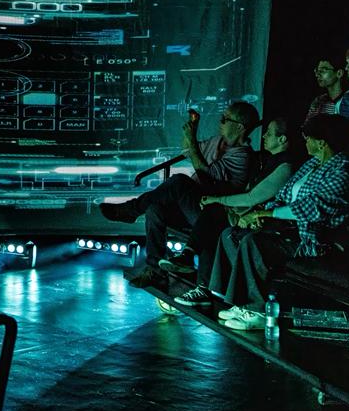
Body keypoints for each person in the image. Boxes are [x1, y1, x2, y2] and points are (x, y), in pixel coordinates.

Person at [196, 114, 349, 329]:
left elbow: (312, 207)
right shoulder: (311, 164)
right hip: (285, 229)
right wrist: (261, 216)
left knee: (253, 242)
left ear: (321, 142)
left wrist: (266, 215)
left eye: (309, 138)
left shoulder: (341, 172)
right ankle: (237, 299)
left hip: (311, 238)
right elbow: (283, 195)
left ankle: (257, 309)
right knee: (231, 235)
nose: (305, 142)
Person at [101, 101, 259, 287]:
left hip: (211, 214)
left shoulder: (243, 156)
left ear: (240, 127)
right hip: (192, 206)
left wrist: (192, 140)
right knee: (154, 210)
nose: (220, 121)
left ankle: (131, 210)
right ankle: (155, 271)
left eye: (225, 119)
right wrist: (192, 131)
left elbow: (206, 175)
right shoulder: (217, 141)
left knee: (179, 181)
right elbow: (187, 151)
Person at [166, 117, 304, 300]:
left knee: (214, 219)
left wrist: (218, 200)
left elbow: (252, 197)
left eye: (269, 133)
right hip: (246, 215)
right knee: (212, 220)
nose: (264, 136)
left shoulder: (285, 166)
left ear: (282, 139)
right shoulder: (267, 160)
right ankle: (195, 270)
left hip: (261, 220)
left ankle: (199, 275)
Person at [304, 57, 346, 122]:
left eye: (323, 70)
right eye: (317, 71)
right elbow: (307, 126)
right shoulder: (318, 101)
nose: (317, 75)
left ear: (339, 73)